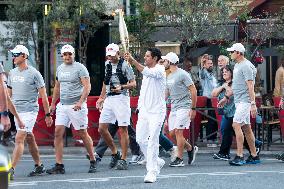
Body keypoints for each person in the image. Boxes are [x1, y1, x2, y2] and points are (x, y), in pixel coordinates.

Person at [46, 44, 96, 174]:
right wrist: (52, 104)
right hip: (62, 105)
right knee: (57, 133)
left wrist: (80, 102)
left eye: (70, 54)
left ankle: (93, 160)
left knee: (82, 133)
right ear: (62, 56)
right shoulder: (60, 68)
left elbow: (87, 86)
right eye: (65, 54)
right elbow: (57, 87)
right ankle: (59, 165)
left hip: (76, 106)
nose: (67, 56)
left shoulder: (80, 68)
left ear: (73, 54)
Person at [7, 45, 53, 179]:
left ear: (24, 56)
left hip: (29, 111)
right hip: (17, 112)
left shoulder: (34, 73)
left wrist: (47, 114)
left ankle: (11, 170)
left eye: (16, 54)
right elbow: (9, 96)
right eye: (13, 54)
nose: (13, 57)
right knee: (29, 137)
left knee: (19, 138)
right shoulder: (12, 73)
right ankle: (39, 166)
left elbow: (44, 96)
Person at [124, 48, 166, 183]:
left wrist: (132, 61)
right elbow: (144, 91)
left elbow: (146, 71)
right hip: (144, 111)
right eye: (145, 56)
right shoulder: (146, 72)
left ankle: (152, 171)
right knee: (140, 139)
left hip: (157, 112)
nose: (145, 58)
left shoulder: (159, 70)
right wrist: (140, 107)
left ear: (154, 58)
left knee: (153, 140)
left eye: (147, 56)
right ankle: (156, 160)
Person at [96, 43, 136, 170]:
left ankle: (123, 159)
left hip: (122, 99)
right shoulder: (107, 64)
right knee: (101, 128)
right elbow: (105, 81)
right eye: (108, 55)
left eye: (113, 55)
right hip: (109, 99)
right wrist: (101, 97)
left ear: (118, 53)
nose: (111, 58)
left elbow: (134, 83)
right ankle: (115, 152)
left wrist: (122, 87)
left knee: (123, 129)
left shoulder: (125, 65)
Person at [220, 43, 260, 165]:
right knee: (246, 128)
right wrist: (226, 97)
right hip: (240, 100)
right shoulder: (238, 65)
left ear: (238, 53)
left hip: (245, 101)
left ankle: (240, 155)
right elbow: (237, 86)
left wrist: (253, 104)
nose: (230, 54)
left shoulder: (246, 66)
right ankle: (254, 156)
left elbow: (250, 85)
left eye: (232, 52)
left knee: (236, 124)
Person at [161, 52, 198, 167]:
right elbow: (166, 93)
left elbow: (193, 90)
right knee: (171, 134)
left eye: (165, 61)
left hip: (184, 106)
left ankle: (179, 158)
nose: (163, 63)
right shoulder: (169, 75)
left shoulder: (183, 74)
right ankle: (190, 148)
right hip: (174, 107)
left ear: (170, 62)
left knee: (178, 132)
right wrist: (160, 103)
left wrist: (193, 108)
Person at [199, 54, 218, 145]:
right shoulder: (204, 73)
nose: (211, 65)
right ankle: (210, 138)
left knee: (214, 118)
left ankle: (213, 138)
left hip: (214, 98)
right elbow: (202, 74)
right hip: (208, 98)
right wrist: (202, 65)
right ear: (205, 65)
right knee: (211, 118)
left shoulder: (212, 74)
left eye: (211, 63)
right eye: (209, 63)